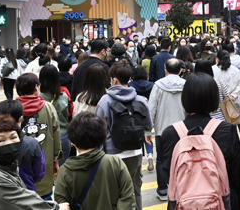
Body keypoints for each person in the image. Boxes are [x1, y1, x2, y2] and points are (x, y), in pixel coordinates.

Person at [159, 72, 240, 209]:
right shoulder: (227, 130)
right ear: (214, 99)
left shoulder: (170, 133)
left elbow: (169, 173)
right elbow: (236, 175)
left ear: (185, 98)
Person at [0, 115, 65, 210]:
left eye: (13, 138)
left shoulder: (7, 166)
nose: (8, 143)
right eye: (0, 141)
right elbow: (23, 203)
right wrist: (57, 207)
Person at [95, 61, 153, 210]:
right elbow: (148, 125)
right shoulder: (140, 99)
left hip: (113, 154)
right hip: (135, 152)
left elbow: (100, 130)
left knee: (115, 192)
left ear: (114, 79)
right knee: (135, 190)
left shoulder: (105, 101)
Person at [54, 112, 134, 209]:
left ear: (73, 142)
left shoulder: (65, 171)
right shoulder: (114, 162)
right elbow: (128, 197)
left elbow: (62, 203)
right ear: (102, 137)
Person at [16, 73, 62, 200]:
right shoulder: (48, 107)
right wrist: (56, 159)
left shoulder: (13, 107)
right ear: (36, 87)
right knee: (45, 198)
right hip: (44, 162)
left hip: (19, 164)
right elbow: (56, 135)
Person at [148, 58, 186, 201]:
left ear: (165, 71)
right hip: (183, 129)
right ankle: (182, 188)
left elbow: (151, 109)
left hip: (162, 129)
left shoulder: (158, 85)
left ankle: (163, 190)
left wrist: (148, 130)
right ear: (181, 71)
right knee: (183, 159)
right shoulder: (186, 85)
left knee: (161, 160)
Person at [39, 65, 71, 166]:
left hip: (45, 137)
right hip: (63, 136)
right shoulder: (63, 96)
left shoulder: (38, 98)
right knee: (61, 170)